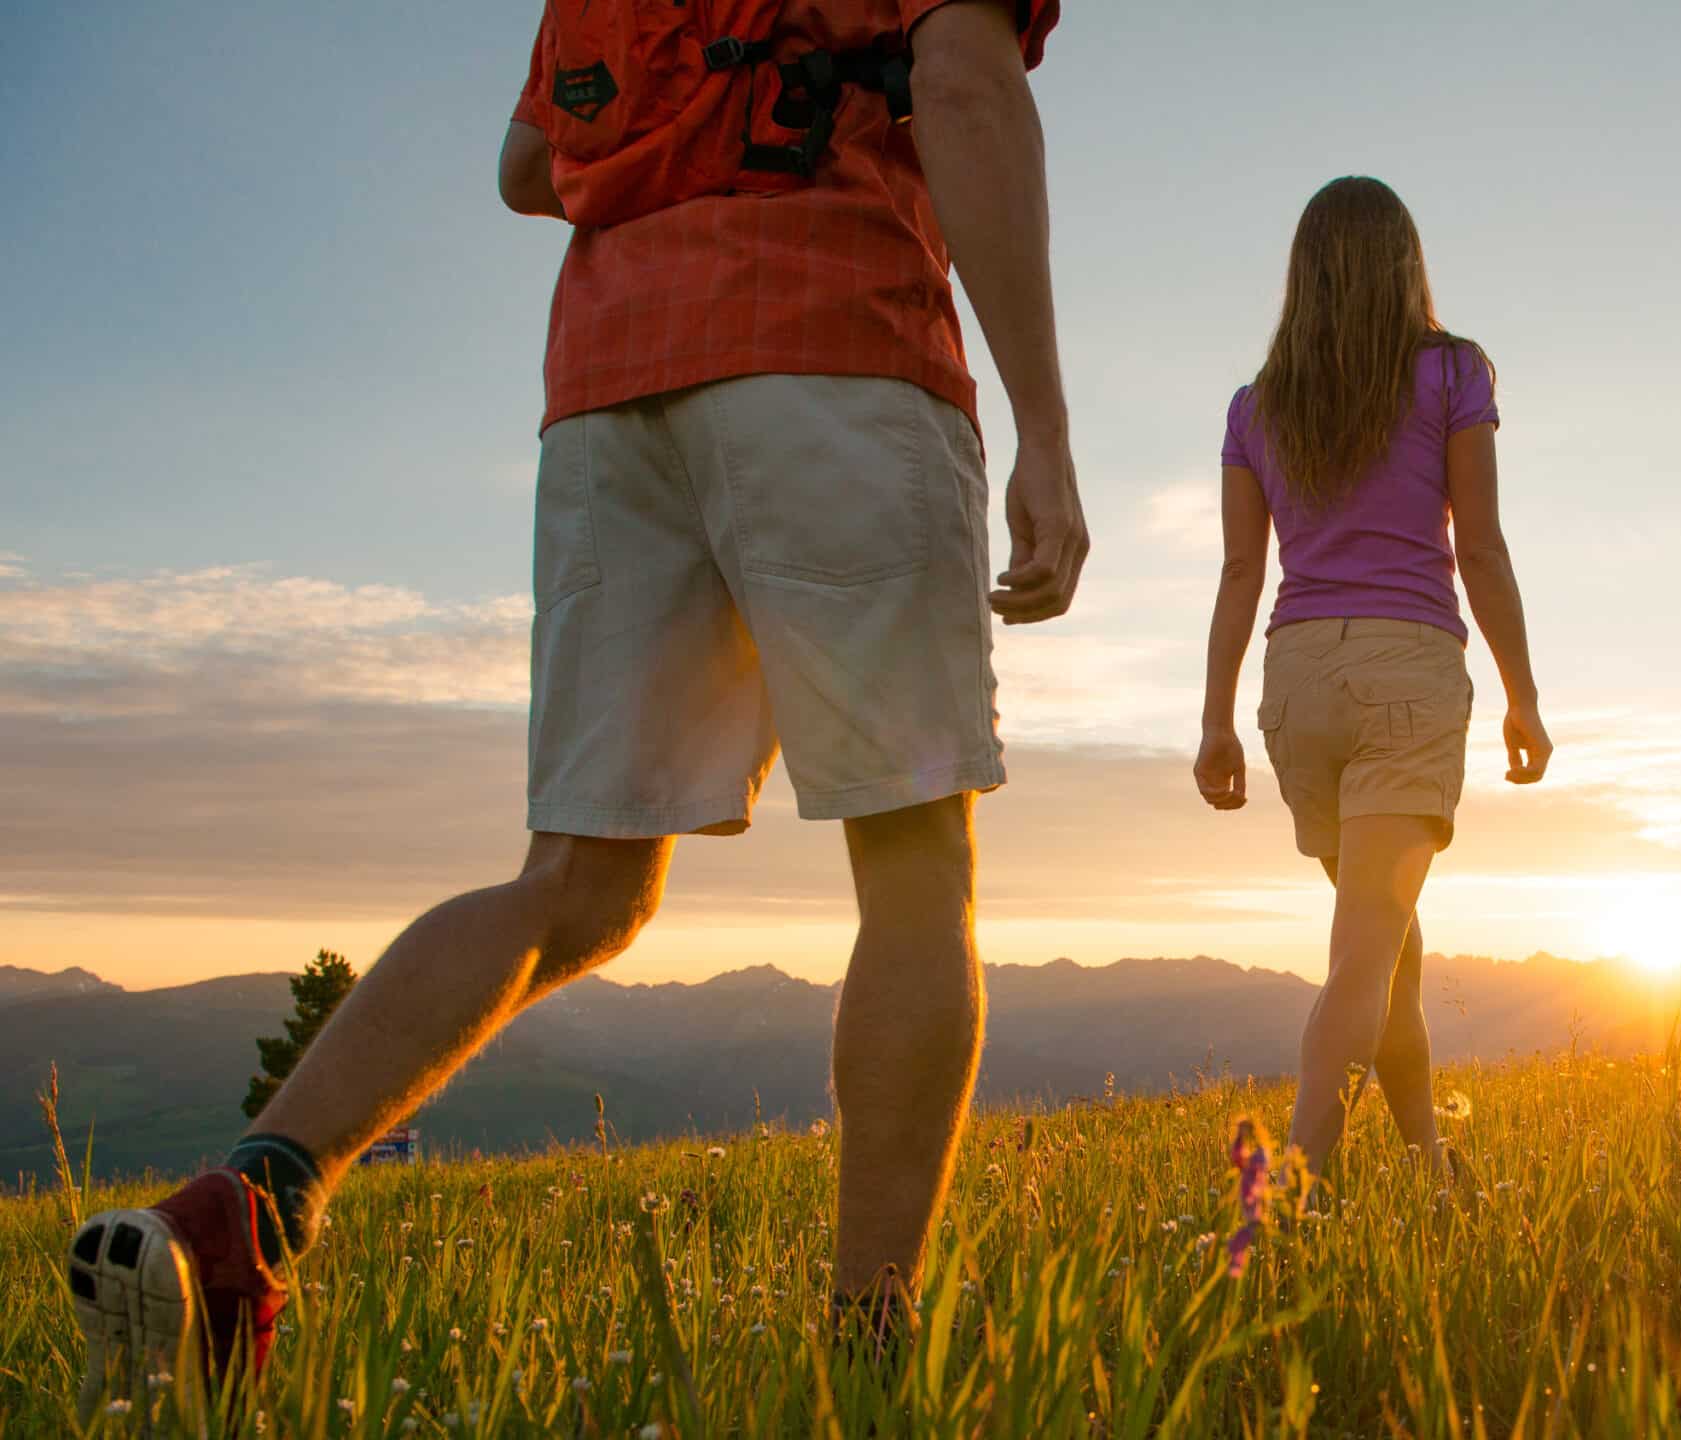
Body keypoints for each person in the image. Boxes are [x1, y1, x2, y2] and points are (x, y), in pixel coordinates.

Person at [66, 0, 1085, 1401]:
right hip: (838, 351)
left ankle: (254, 1195)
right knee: (915, 866)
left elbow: (530, 165)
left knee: (578, 884)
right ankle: (868, 1354)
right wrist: (1047, 427)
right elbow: (966, 88)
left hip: (614, 395)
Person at [1193, 176, 1552, 1180]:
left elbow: (1236, 573)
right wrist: (1522, 695)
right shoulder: (1452, 373)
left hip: (1296, 684)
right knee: (1362, 959)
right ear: (1407, 262)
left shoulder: (1256, 406)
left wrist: (1217, 722)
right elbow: (1478, 549)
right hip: (1404, 672)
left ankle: (1430, 1164)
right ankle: (1286, 1203)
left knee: (1387, 945)